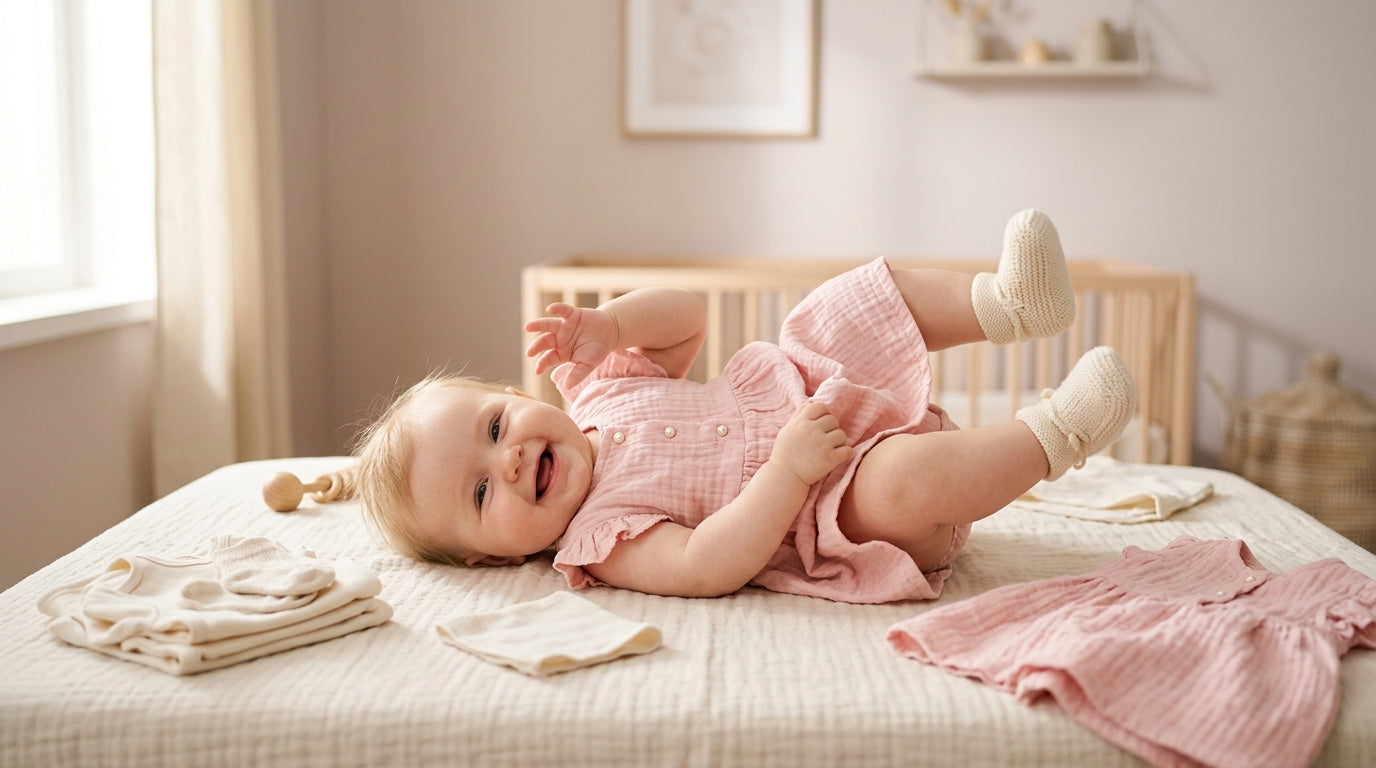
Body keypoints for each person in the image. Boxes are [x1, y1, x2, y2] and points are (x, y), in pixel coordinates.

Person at [353, 210, 1137, 604]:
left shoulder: (596, 384)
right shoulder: (599, 539)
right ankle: (1060, 431)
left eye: (495, 429)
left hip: (806, 386)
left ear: (515, 395)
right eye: (483, 489)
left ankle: (1008, 303)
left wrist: (614, 322)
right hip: (829, 502)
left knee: (841, 306)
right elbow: (706, 565)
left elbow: (689, 319)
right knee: (900, 483)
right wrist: (790, 474)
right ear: (489, 557)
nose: (511, 458)